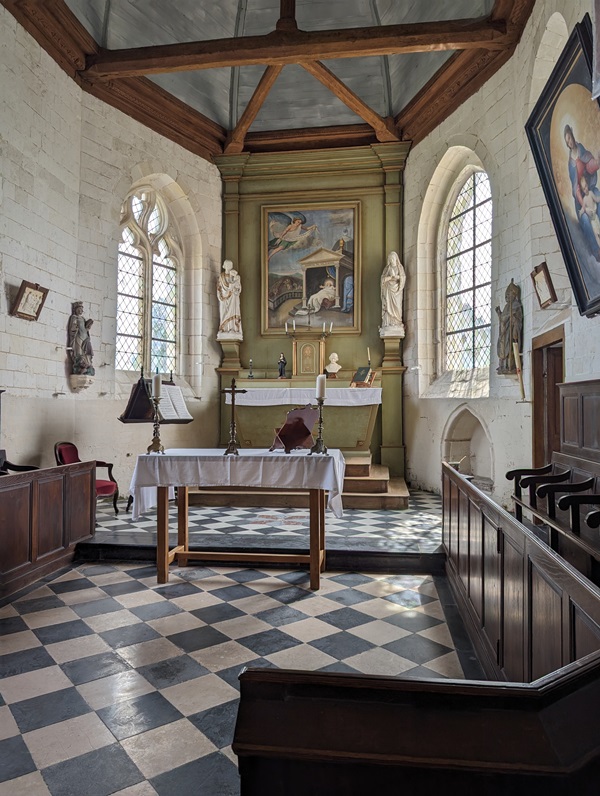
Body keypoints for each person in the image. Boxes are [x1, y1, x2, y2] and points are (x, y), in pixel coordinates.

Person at [564, 124, 600, 260]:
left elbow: (589, 166)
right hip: (581, 199)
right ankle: (597, 251)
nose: (569, 142)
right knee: (585, 219)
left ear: (572, 136)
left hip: (589, 189)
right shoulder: (571, 164)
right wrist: (583, 205)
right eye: (567, 141)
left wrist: (597, 162)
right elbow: (575, 188)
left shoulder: (581, 149)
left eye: (570, 138)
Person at [495, 279, 523, 374]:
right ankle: (502, 365)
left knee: (509, 347)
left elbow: (518, 319)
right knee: (502, 346)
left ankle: (510, 365)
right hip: (504, 332)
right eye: (506, 295)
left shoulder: (516, 305)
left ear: (514, 295)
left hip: (511, 332)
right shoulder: (507, 306)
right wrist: (500, 314)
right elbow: (503, 318)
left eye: (508, 295)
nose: (506, 297)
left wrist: (514, 319)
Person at [217, 259, 243, 337]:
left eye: (230, 265)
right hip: (223, 299)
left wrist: (235, 281)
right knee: (223, 313)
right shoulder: (221, 277)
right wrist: (222, 294)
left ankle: (233, 328)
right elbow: (219, 288)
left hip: (233, 298)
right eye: (227, 265)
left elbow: (239, 288)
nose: (229, 267)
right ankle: (224, 329)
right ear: (224, 266)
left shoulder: (236, 276)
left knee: (233, 311)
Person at [380, 251, 405, 329]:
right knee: (388, 305)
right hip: (388, 290)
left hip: (397, 290)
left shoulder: (400, 268)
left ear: (396, 259)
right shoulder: (387, 269)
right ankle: (388, 323)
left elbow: (403, 278)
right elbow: (382, 279)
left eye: (393, 259)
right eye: (390, 259)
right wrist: (390, 278)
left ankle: (397, 322)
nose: (391, 261)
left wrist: (397, 277)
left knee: (397, 306)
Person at [68, 301, 95, 375]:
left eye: (81, 309)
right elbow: (72, 328)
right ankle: (80, 367)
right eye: (79, 309)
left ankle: (87, 365)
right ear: (76, 309)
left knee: (86, 352)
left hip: (85, 337)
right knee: (79, 352)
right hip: (78, 337)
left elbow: (85, 328)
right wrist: (74, 327)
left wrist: (88, 327)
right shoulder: (74, 317)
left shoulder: (83, 318)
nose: (81, 310)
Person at [579, 174, 600, 253]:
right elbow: (583, 208)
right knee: (596, 235)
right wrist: (580, 212)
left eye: (586, 187)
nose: (586, 189)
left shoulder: (591, 193)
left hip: (596, 218)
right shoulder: (584, 199)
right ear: (582, 190)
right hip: (592, 220)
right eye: (584, 189)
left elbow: (596, 199)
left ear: (587, 185)